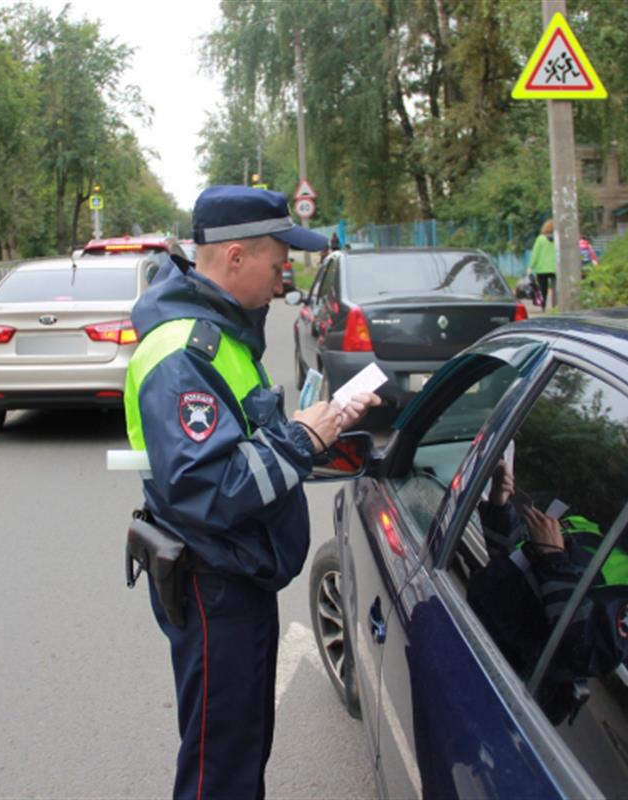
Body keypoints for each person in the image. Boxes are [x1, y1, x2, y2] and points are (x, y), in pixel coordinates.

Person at [122, 185, 380, 798]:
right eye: (277, 257)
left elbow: (245, 449)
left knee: (238, 752)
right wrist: (298, 440)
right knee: (222, 770)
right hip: (215, 583)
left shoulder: (224, 332)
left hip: (238, 578)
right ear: (235, 257)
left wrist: (320, 428)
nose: (284, 272)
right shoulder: (185, 351)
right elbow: (208, 488)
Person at [468, 459, 628, 723]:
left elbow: (585, 651)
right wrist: (499, 505)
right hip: (469, 630)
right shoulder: (589, 528)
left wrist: (554, 558)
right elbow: (512, 560)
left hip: (497, 689)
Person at [528, 219, 556, 310]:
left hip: (541, 268)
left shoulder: (540, 239)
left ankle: (543, 306)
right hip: (555, 268)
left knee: (543, 288)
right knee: (555, 288)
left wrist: (531, 266)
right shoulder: (558, 239)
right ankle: (555, 306)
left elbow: (535, 253)